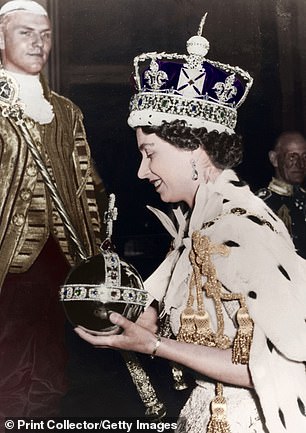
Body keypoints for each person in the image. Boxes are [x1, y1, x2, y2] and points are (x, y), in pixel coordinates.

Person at [76, 14, 306, 433]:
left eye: (151, 153)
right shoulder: (200, 222)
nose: (143, 171)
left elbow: (271, 365)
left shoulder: (242, 228)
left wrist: (157, 345)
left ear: (194, 149)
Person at [0, 0, 107, 424]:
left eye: (45, 35)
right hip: (8, 263)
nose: (39, 43)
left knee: (52, 373)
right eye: (26, 33)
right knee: (8, 370)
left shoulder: (65, 110)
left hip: (62, 262)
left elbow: (88, 183)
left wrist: (96, 252)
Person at [256, 131, 306, 258]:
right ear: (274, 159)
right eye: (292, 157)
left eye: (304, 156)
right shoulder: (261, 205)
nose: (300, 164)